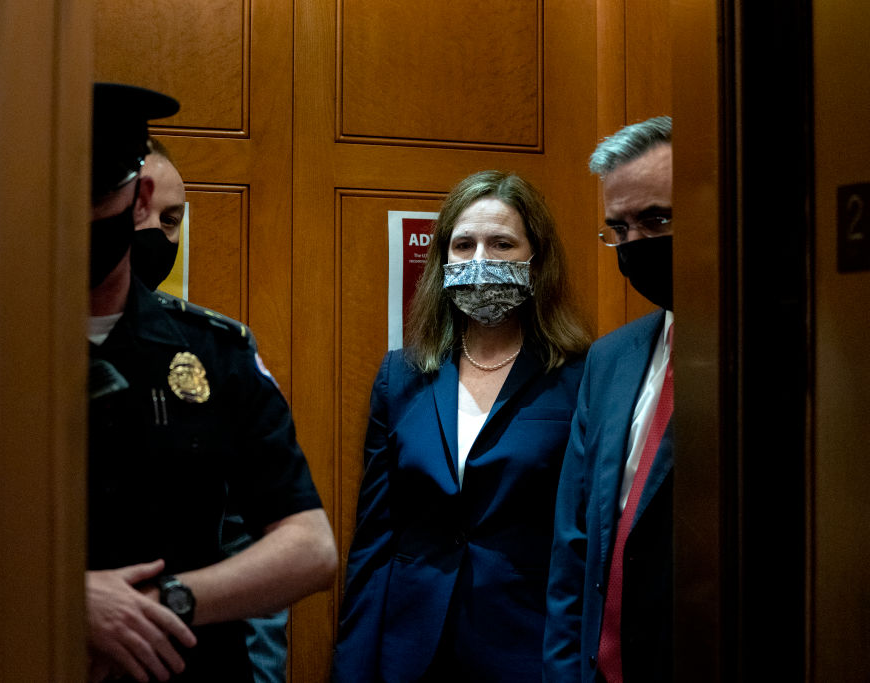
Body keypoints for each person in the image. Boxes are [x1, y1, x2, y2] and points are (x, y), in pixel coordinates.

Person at [85, 82, 337, 683]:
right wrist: (63, 601)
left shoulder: (212, 351)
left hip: (186, 663)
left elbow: (310, 546)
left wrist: (163, 602)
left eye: (90, 194)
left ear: (136, 196)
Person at [333, 170, 592, 681]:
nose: (479, 261)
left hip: (528, 646)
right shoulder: (401, 376)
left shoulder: (582, 377)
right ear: (442, 261)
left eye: (501, 245)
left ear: (536, 263)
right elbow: (374, 539)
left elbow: (586, 540)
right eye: (463, 244)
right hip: (409, 647)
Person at [131, 139, 292, 683]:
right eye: (141, 213)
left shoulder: (214, 350)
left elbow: (259, 539)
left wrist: (262, 675)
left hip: (197, 658)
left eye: (172, 219)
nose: (157, 234)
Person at [544, 115, 674, 683]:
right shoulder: (610, 359)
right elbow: (574, 548)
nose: (634, 245)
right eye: (618, 229)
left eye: (656, 220)